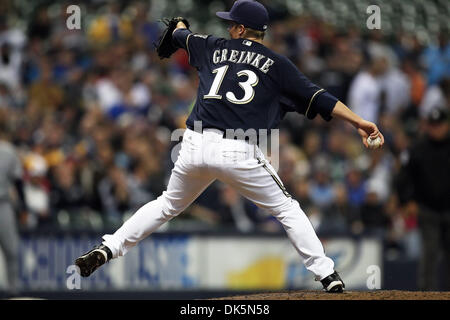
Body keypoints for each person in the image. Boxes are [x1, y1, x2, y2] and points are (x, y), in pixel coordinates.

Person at [75, 0, 384, 293]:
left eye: (231, 24)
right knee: (287, 209)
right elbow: (321, 98)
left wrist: (181, 26)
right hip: (239, 148)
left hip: (193, 145)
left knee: (168, 204)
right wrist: (359, 121)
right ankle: (327, 275)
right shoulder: (278, 64)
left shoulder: (212, 46)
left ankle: (109, 247)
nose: (228, 29)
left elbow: (178, 33)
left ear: (239, 29)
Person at [396, 107, 450, 290]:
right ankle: (426, 293)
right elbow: (402, 178)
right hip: (427, 209)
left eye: (440, 125)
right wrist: (406, 201)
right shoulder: (418, 148)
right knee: (430, 253)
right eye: (433, 126)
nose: (437, 129)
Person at [0, 124, 27, 297]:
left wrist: (23, 207)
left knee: (11, 249)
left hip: (3, 203)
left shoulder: (7, 151)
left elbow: (18, 181)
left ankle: (13, 291)